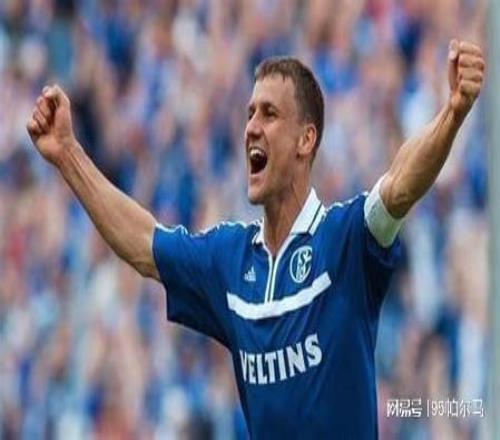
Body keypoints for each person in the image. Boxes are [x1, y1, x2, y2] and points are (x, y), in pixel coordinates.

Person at [26, 38, 484, 439]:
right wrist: (68, 154)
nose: (251, 128)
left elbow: (400, 185)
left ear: (306, 140)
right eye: (249, 114)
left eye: (269, 114)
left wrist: (453, 112)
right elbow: (143, 244)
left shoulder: (343, 239)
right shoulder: (230, 259)